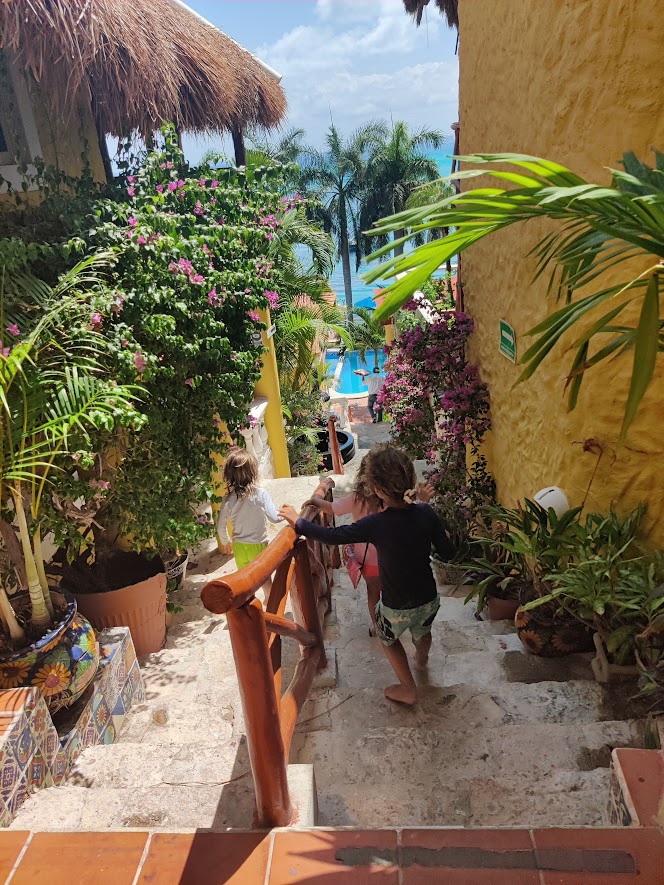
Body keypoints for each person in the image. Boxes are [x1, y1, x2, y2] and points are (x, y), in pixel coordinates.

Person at [279, 445, 454, 706]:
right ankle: (421, 659)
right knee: (423, 631)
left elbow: (332, 536)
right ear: (411, 480)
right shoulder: (426, 513)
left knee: (388, 638)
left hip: (395, 607)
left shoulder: (377, 524)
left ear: (378, 490)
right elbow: (448, 552)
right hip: (429, 600)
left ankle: (408, 688)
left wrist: (299, 522)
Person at [304, 463, 436, 636]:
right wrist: (423, 502)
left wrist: (316, 502)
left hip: (367, 560)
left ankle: (377, 626)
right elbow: (413, 515)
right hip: (393, 558)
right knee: (396, 589)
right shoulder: (395, 501)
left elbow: (332, 509)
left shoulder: (356, 498)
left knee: (373, 592)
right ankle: (410, 622)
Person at [217, 447, 282, 569]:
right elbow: (274, 518)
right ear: (253, 472)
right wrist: (285, 513)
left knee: (245, 580)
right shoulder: (260, 494)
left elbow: (221, 526)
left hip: (239, 547)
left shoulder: (227, 499)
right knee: (265, 580)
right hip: (258, 545)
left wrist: (226, 542)